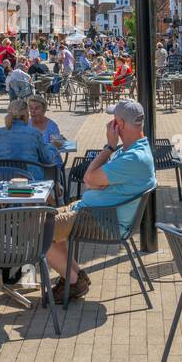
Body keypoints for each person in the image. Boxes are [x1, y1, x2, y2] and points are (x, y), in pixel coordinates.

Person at [45, 100, 156, 302]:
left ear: (119, 124)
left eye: (114, 120)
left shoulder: (132, 157)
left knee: (38, 232)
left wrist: (109, 146)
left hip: (101, 220)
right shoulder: (134, 150)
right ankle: (75, 277)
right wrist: (97, 180)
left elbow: (89, 179)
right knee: (46, 220)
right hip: (92, 212)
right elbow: (94, 182)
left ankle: (72, 281)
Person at [0, 98, 58, 176]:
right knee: (53, 173)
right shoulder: (34, 133)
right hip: (31, 179)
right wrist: (53, 147)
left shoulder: (0, 132)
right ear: (26, 114)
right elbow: (47, 159)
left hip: (5, 178)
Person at [27, 94, 65, 164]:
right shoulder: (26, 125)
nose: (33, 111)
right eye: (31, 108)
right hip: (32, 164)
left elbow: (58, 145)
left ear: (44, 110)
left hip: (51, 165)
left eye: (37, 108)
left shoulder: (52, 126)